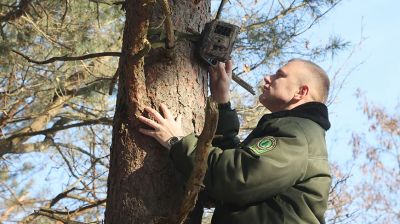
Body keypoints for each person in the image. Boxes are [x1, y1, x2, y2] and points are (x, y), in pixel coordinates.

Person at [138, 58, 332, 224]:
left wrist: (177, 142)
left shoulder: (299, 134)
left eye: (279, 75)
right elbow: (239, 167)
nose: (268, 78)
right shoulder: (299, 132)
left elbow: (236, 178)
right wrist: (222, 102)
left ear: (301, 92)